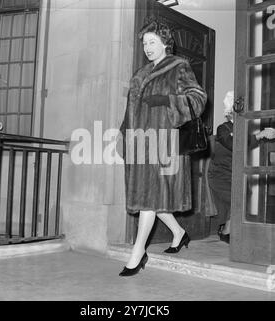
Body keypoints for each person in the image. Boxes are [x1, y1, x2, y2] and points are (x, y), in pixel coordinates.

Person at [118, 17, 207, 277]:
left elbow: (198, 99)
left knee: (148, 196)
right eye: (145, 42)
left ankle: (137, 253)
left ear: (165, 43)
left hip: (163, 142)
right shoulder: (140, 74)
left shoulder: (179, 66)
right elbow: (130, 109)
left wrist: (167, 101)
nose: (147, 47)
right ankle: (179, 233)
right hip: (139, 142)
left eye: (152, 41)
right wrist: (122, 134)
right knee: (153, 197)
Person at [208, 91, 275, 244]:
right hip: (219, 176)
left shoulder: (245, 130)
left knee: (243, 197)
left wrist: (265, 134)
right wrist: (260, 135)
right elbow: (235, 145)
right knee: (237, 199)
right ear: (231, 112)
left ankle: (228, 229)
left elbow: (248, 144)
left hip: (236, 174)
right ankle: (225, 231)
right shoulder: (223, 128)